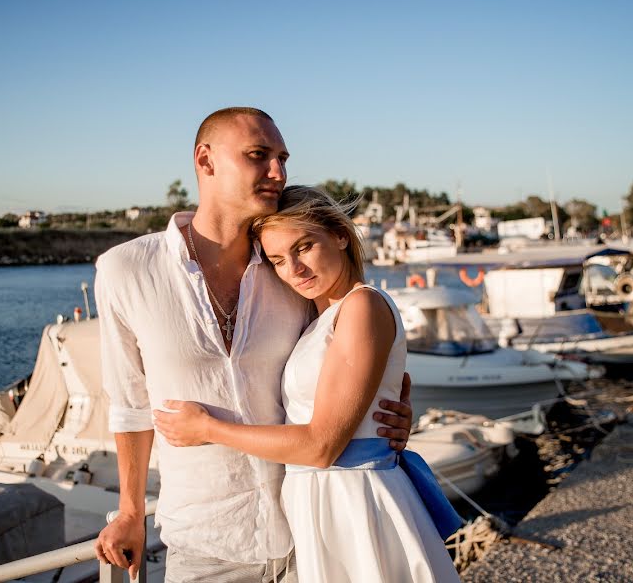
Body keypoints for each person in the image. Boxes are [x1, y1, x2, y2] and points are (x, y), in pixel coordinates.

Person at [93, 107, 414, 582]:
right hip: (206, 542)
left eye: (282, 157)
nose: (278, 172)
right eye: (258, 155)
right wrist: (129, 511)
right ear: (206, 160)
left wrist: (383, 417)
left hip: (309, 533)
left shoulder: (288, 269)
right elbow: (130, 405)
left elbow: (342, 361)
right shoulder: (126, 270)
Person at [155, 186, 461, 583]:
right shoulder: (318, 318)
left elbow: (321, 447)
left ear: (339, 235)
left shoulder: (361, 306)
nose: (294, 270)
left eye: (304, 247)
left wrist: (207, 428)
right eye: (278, 260)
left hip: (355, 503)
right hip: (322, 504)